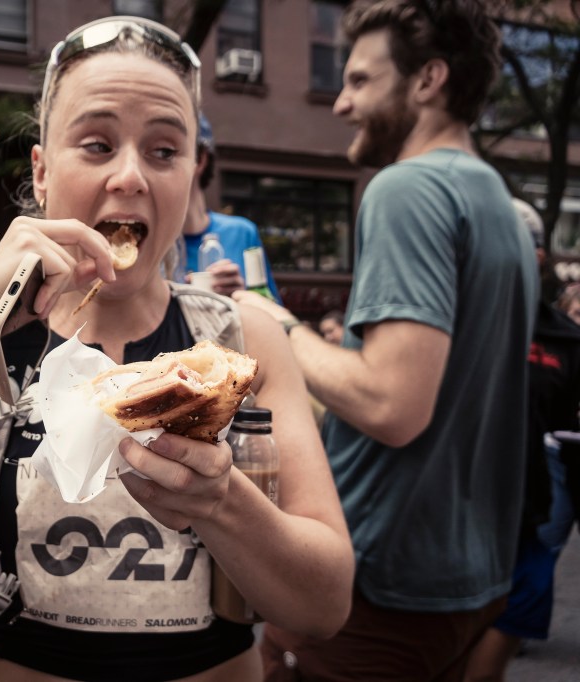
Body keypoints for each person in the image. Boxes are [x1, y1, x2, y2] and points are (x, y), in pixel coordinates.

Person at [0, 16, 354, 682]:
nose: (130, 176)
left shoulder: (241, 336)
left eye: (163, 151)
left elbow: (324, 605)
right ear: (41, 171)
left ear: (190, 179)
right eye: (96, 145)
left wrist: (222, 504)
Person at [233, 2, 539, 679]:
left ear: (428, 80)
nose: (341, 103)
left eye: (361, 81)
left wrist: (271, 321)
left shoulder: (407, 188)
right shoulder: (498, 199)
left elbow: (392, 405)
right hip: (470, 580)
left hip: (383, 583)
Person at [463, 199, 580, 681]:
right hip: (454, 514)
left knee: (521, 612)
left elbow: (559, 413)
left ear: (534, 258)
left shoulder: (563, 338)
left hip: (527, 510)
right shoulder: (450, 319)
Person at [177, 113, 281, 300]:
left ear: (200, 159)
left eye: (166, 152)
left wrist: (241, 297)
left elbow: (274, 314)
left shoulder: (242, 232)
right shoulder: (153, 243)